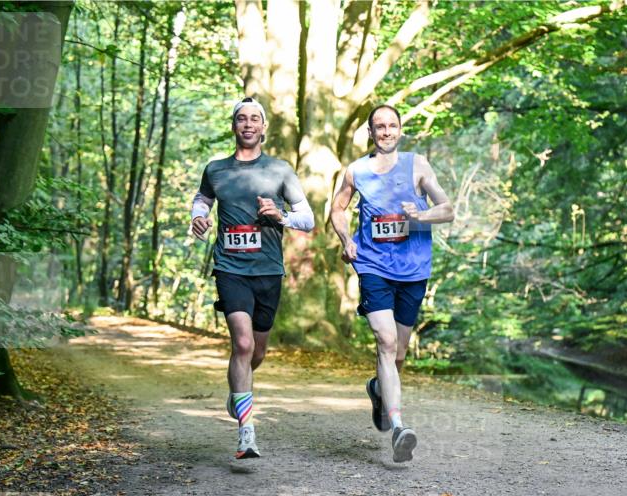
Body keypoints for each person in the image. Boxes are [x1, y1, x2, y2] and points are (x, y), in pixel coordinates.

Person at [189, 97, 314, 462]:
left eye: (254, 119)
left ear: (263, 128)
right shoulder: (216, 169)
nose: (247, 124)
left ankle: (237, 389)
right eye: (241, 119)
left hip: (268, 270)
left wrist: (281, 216)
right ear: (234, 126)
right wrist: (199, 216)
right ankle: (246, 432)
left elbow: (306, 218)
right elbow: (203, 197)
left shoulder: (280, 170)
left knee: (257, 351)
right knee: (242, 344)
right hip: (230, 268)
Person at [329, 104, 454, 463]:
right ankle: (399, 427)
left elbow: (447, 209)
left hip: (413, 270)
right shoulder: (357, 171)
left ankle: (378, 389)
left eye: (392, 126)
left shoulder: (417, 164)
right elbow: (338, 209)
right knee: (384, 340)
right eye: (379, 127)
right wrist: (346, 240)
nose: (386, 132)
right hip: (372, 265)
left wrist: (422, 214)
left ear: (400, 130)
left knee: (398, 353)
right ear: (371, 132)